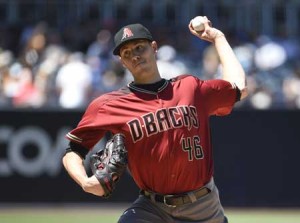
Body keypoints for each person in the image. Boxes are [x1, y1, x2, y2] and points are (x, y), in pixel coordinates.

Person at [62, 16, 248, 223]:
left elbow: (239, 86)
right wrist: (85, 182)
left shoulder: (190, 88)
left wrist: (218, 38)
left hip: (203, 207)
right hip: (152, 208)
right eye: (127, 53)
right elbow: (73, 151)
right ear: (122, 62)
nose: (135, 56)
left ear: (154, 47)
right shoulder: (109, 105)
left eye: (139, 47)